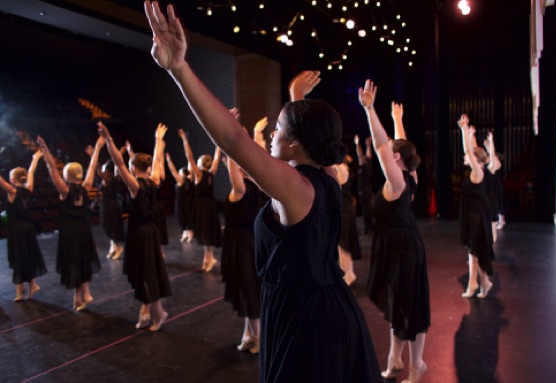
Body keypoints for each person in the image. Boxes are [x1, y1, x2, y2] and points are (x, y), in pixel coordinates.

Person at [144, 3, 382, 381]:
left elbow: (232, 138)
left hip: (307, 321)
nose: (271, 132)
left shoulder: (296, 188)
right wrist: (294, 94)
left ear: (296, 143)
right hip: (321, 309)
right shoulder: (324, 176)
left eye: (278, 127)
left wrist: (179, 69)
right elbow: (281, 146)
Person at [359, 80, 430, 383]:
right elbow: (400, 147)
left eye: (392, 153)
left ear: (396, 160)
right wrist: (398, 120)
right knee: (397, 304)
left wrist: (370, 109)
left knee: (410, 310)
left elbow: (380, 145)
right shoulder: (410, 173)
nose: (388, 153)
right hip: (400, 245)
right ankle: (394, 359)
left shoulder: (397, 182)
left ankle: (417, 367)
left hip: (403, 249)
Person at [98, 121, 171, 331]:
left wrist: (109, 139)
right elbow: (157, 160)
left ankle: (158, 312)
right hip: (150, 232)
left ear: (133, 167)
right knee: (144, 272)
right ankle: (146, 310)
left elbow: (118, 163)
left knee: (147, 273)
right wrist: (158, 140)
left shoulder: (135, 185)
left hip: (140, 233)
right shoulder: (155, 180)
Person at [37, 135, 102, 312]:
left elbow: (51, 167)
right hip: (83, 228)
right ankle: (81, 293)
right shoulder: (87, 186)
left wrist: (45, 148)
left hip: (69, 229)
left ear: (67, 175)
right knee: (82, 258)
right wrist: (97, 148)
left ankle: (81, 294)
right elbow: (92, 166)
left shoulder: (64, 190)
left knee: (74, 261)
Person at [221, 153, 261, 354]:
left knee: (248, 291)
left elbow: (234, 168)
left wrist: (230, 151)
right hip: (252, 243)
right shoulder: (257, 186)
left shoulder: (241, 189)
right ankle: (248, 334)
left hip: (241, 246)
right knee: (251, 289)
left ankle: (258, 339)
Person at [0, 150, 47, 301]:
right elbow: (31, 171)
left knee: (19, 258)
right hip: (28, 227)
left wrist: (36, 157)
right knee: (24, 257)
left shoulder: (12, 192)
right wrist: (36, 158)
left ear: (13, 178)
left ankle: (28, 286)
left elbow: (0, 181)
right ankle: (23, 289)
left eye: (10, 176)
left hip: (17, 229)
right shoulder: (29, 188)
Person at [457, 114, 495, 299]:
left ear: (477, 162)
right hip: (472, 214)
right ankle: (479, 282)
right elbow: (472, 150)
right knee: (474, 251)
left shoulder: (478, 172)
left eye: (470, 157)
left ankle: (480, 283)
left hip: (477, 217)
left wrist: (464, 130)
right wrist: (470, 134)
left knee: (476, 251)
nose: (466, 157)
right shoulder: (476, 170)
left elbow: (470, 151)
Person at [190, 143, 222, 272]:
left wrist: (185, 141)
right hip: (210, 206)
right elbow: (216, 159)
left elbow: (189, 157)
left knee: (206, 233)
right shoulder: (211, 173)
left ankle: (208, 259)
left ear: (201, 163)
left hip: (203, 207)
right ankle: (208, 258)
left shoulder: (199, 174)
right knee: (206, 232)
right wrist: (218, 146)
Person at [333, 155, 361, 286]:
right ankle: (349, 274)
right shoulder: (342, 168)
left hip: (344, 210)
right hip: (345, 209)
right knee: (344, 244)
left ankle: (347, 275)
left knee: (343, 245)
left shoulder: (340, 169)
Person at [165, 129, 196, 243]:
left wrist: (169, 161)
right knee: (181, 217)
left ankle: (190, 232)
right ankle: (185, 232)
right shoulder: (182, 180)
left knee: (187, 217)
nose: (178, 173)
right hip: (180, 202)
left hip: (187, 203)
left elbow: (189, 158)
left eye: (180, 172)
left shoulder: (184, 180)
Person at [99, 159, 126, 259]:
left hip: (110, 205)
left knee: (112, 226)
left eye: (104, 168)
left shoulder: (109, 179)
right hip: (108, 204)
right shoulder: (112, 179)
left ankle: (118, 247)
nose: (102, 170)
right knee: (108, 225)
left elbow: (99, 172)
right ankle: (113, 246)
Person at [354, 134, 374, 235]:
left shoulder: (366, 167)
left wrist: (360, 144)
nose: (361, 159)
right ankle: (368, 227)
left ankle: (369, 228)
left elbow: (361, 155)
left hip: (365, 191)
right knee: (365, 210)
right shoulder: (364, 166)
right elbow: (360, 155)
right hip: (362, 190)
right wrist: (367, 145)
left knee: (367, 210)